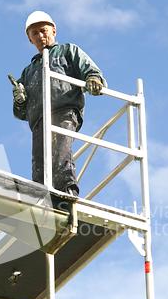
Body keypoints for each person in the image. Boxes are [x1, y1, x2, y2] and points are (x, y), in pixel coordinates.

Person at [12, 10, 107, 197]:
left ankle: (67, 190)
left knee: (61, 151)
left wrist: (94, 79)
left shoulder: (68, 51)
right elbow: (20, 112)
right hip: (39, 118)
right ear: (30, 39)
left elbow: (90, 71)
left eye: (43, 30)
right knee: (39, 161)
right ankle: (40, 195)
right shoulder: (28, 71)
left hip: (64, 110)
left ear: (53, 30)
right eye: (35, 33)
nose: (40, 36)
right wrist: (20, 100)